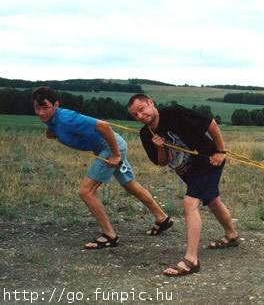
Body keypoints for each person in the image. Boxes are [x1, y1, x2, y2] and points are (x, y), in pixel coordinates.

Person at [31, 87, 173, 249]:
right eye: (37, 108)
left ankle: (109, 235)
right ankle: (162, 218)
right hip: (112, 146)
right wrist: (52, 131)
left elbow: (104, 126)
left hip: (111, 147)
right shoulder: (55, 120)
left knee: (86, 191)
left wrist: (115, 155)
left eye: (45, 108)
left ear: (56, 105)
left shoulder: (65, 118)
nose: (41, 113)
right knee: (130, 184)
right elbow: (61, 128)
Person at [127, 94, 239, 277]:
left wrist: (220, 151)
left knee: (189, 203)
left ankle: (191, 260)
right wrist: (160, 147)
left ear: (151, 103)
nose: (140, 116)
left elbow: (210, 123)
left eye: (141, 109)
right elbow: (162, 162)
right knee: (213, 201)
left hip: (209, 160)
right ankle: (232, 236)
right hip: (188, 172)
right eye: (135, 115)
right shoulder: (145, 134)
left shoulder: (174, 113)